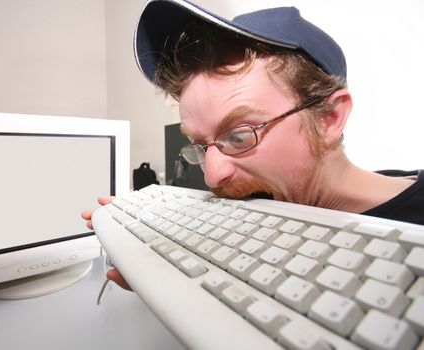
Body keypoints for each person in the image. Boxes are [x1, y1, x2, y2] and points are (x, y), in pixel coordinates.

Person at [82, 0, 424, 290]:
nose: (212, 176)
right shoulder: (266, 203)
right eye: (200, 145)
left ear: (329, 118)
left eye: (240, 135)